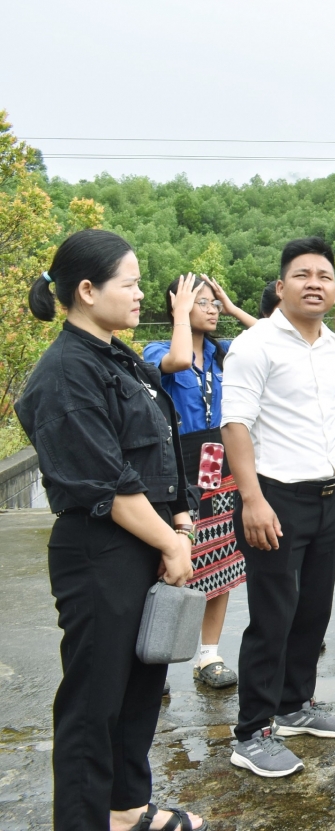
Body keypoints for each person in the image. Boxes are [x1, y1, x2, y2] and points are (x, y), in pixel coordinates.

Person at [16, 229, 208, 830]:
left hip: (147, 540)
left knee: (139, 688)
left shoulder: (115, 356)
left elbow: (158, 447)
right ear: (86, 289)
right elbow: (107, 480)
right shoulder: (65, 371)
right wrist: (171, 542)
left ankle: (126, 808)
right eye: (130, 283)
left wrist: (181, 515)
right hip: (101, 551)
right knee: (93, 702)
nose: (140, 293)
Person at [221, 237, 335, 777]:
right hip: (275, 496)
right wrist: (252, 499)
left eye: (325, 276)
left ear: (334, 291)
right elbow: (235, 423)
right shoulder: (255, 344)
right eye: (303, 274)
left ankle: (294, 705)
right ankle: (252, 732)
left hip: (329, 493)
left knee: (312, 609)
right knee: (272, 615)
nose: (315, 283)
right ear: (282, 285)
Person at [142, 272, 259, 690]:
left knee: (220, 562)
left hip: (219, 463)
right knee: (169, 563)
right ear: (177, 304)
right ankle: (151, 658)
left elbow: (269, 338)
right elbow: (173, 362)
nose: (211, 309)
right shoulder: (158, 349)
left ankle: (208, 654)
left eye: (214, 302)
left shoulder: (221, 353)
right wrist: (179, 316)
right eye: (202, 301)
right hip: (177, 465)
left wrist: (230, 307)